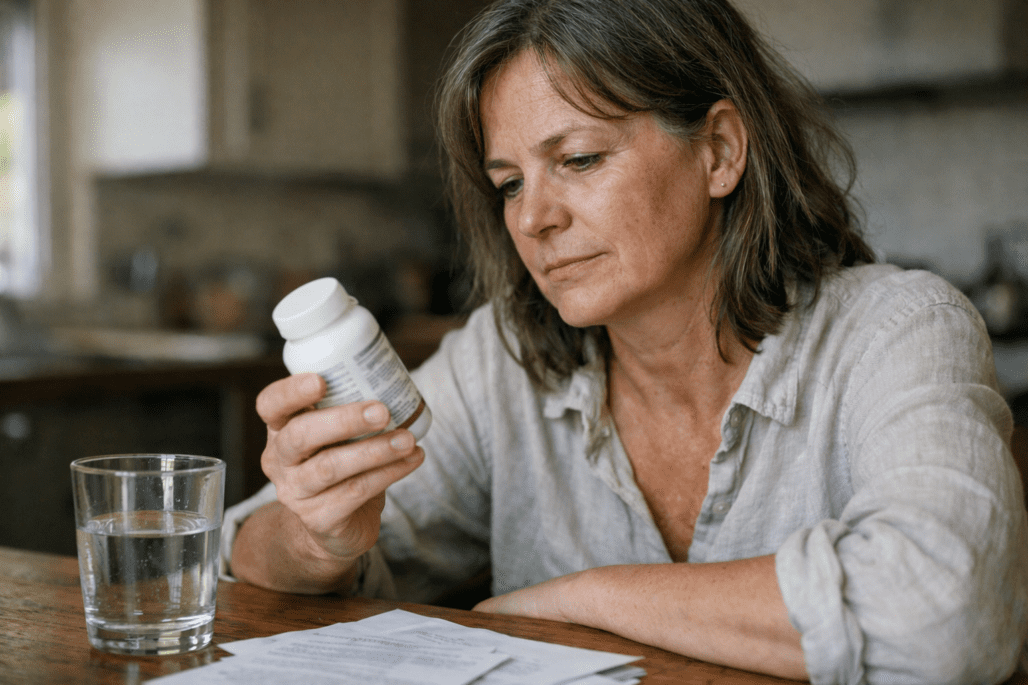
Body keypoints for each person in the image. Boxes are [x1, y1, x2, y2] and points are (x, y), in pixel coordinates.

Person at [222, 0, 1028, 681]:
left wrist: (581, 598)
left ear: (718, 150)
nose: (533, 218)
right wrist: (310, 534)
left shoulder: (898, 330)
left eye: (577, 158)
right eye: (509, 183)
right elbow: (245, 562)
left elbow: (945, 613)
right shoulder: (505, 358)